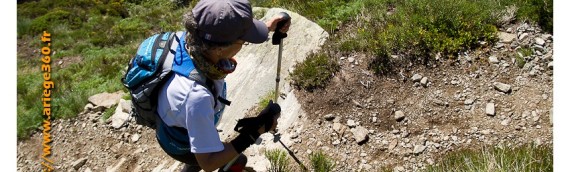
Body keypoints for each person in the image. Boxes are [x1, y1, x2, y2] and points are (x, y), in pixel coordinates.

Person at [154, 0, 291, 171]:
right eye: (244, 41)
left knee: (200, 150)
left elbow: (222, 30)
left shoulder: (195, 39)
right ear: (219, 49)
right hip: (180, 145)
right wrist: (255, 132)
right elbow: (209, 162)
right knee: (236, 160)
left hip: (173, 126)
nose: (244, 44)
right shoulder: (196, 97)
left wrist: (267, 27)